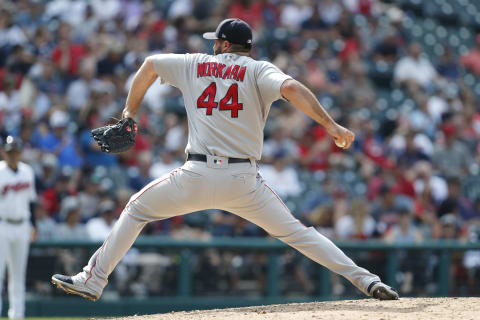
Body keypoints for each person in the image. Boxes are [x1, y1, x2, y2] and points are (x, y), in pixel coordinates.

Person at [51, 18, 398, 301]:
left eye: (216, 41)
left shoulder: (194, 64)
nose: (212, 45)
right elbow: (292, 89)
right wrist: (332, 125)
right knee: (299, 234)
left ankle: (92, 280)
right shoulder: (259, 70)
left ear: (225, 44)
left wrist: (129, 113)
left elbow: (149, 65)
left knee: (137, 209)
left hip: (196, 174)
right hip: (243, 181)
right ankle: (366, 281)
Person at [0, 136, 37, 319]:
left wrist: (34, 225)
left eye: (15, 152)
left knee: (18, 276)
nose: (13, 155)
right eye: (9, 152)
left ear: (20, 152)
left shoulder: (27, 171)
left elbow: (32, 202)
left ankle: (18, 316)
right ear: (4, 153)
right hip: (2, 225)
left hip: (22, 225)